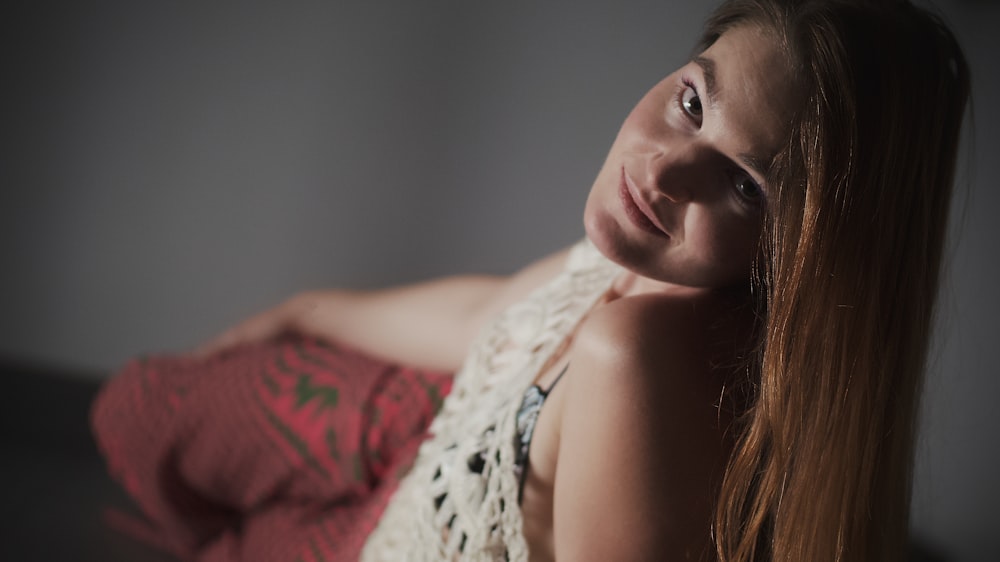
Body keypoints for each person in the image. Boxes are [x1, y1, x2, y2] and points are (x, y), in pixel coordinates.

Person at [91, 0, 970, 560]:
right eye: (692, 102)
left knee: (180, 471)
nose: (663, 171)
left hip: (406, 537)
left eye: (744, 185)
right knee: (145, 408)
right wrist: (303, 310)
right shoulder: (645, 261)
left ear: (803, 255)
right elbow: (494, 316)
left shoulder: (638, 356)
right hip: (436, 436)